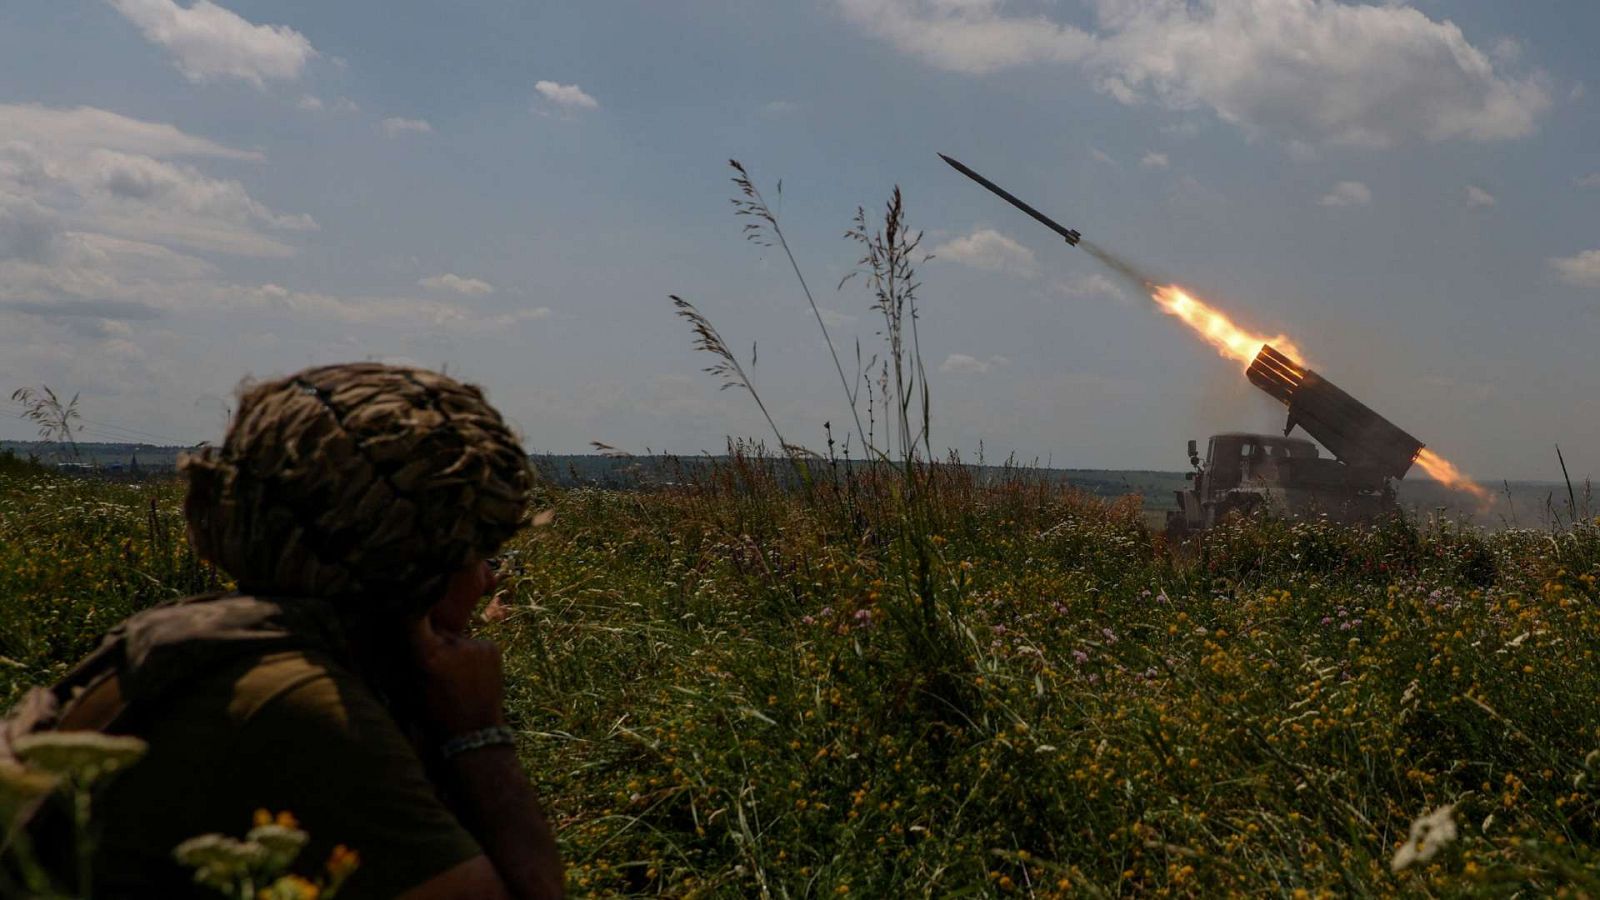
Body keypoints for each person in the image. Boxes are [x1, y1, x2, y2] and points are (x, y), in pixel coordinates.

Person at [2, 363, 564, 898]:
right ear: (416, 565)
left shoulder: (199, 636)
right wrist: (479, 733)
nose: (490, 579)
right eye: (483, 552)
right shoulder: (305, 706)